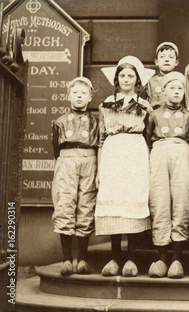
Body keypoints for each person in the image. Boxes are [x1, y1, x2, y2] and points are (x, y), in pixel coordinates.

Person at [96, 56, 155, 277]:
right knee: (115, 202)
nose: (126, 79)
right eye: (123, 75)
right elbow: (101, 139)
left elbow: (149, 138)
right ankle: (114, 256)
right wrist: (100, 169)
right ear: (116, 79)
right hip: (112, 153)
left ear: (137, 80)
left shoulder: (145, 106)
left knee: (132, 201)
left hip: (135, 152)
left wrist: (148, 164)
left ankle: (131, 256)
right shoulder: (105, 104)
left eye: (131, 76)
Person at [147, 72, 189, 278]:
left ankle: (177, 257)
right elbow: (147, 138)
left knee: (182, 200)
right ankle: (161, 257)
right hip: (158, 154)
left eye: (180, 88)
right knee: (160, 201)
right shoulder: (153, 114)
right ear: (163, 90)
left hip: (182, 154)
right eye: (172, 88)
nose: (176, 92)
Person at [51, 77, 98, 276]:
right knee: (65, 204)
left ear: (90, 97)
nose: (79, 96)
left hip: (89, 159)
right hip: (67, 159)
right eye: (75, 93)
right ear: (68, 96)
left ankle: (83, 260)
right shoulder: (60, 122)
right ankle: (66, 259)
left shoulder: (96, 122)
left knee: (86, 204)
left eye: (83, 93)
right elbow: (55, 148)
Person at [144, 42, 180, 109]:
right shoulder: (151, 81)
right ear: (156, 62)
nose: (166, 60)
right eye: (162, 57)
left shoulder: (180, 81)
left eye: (171, 57)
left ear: (176, 62)